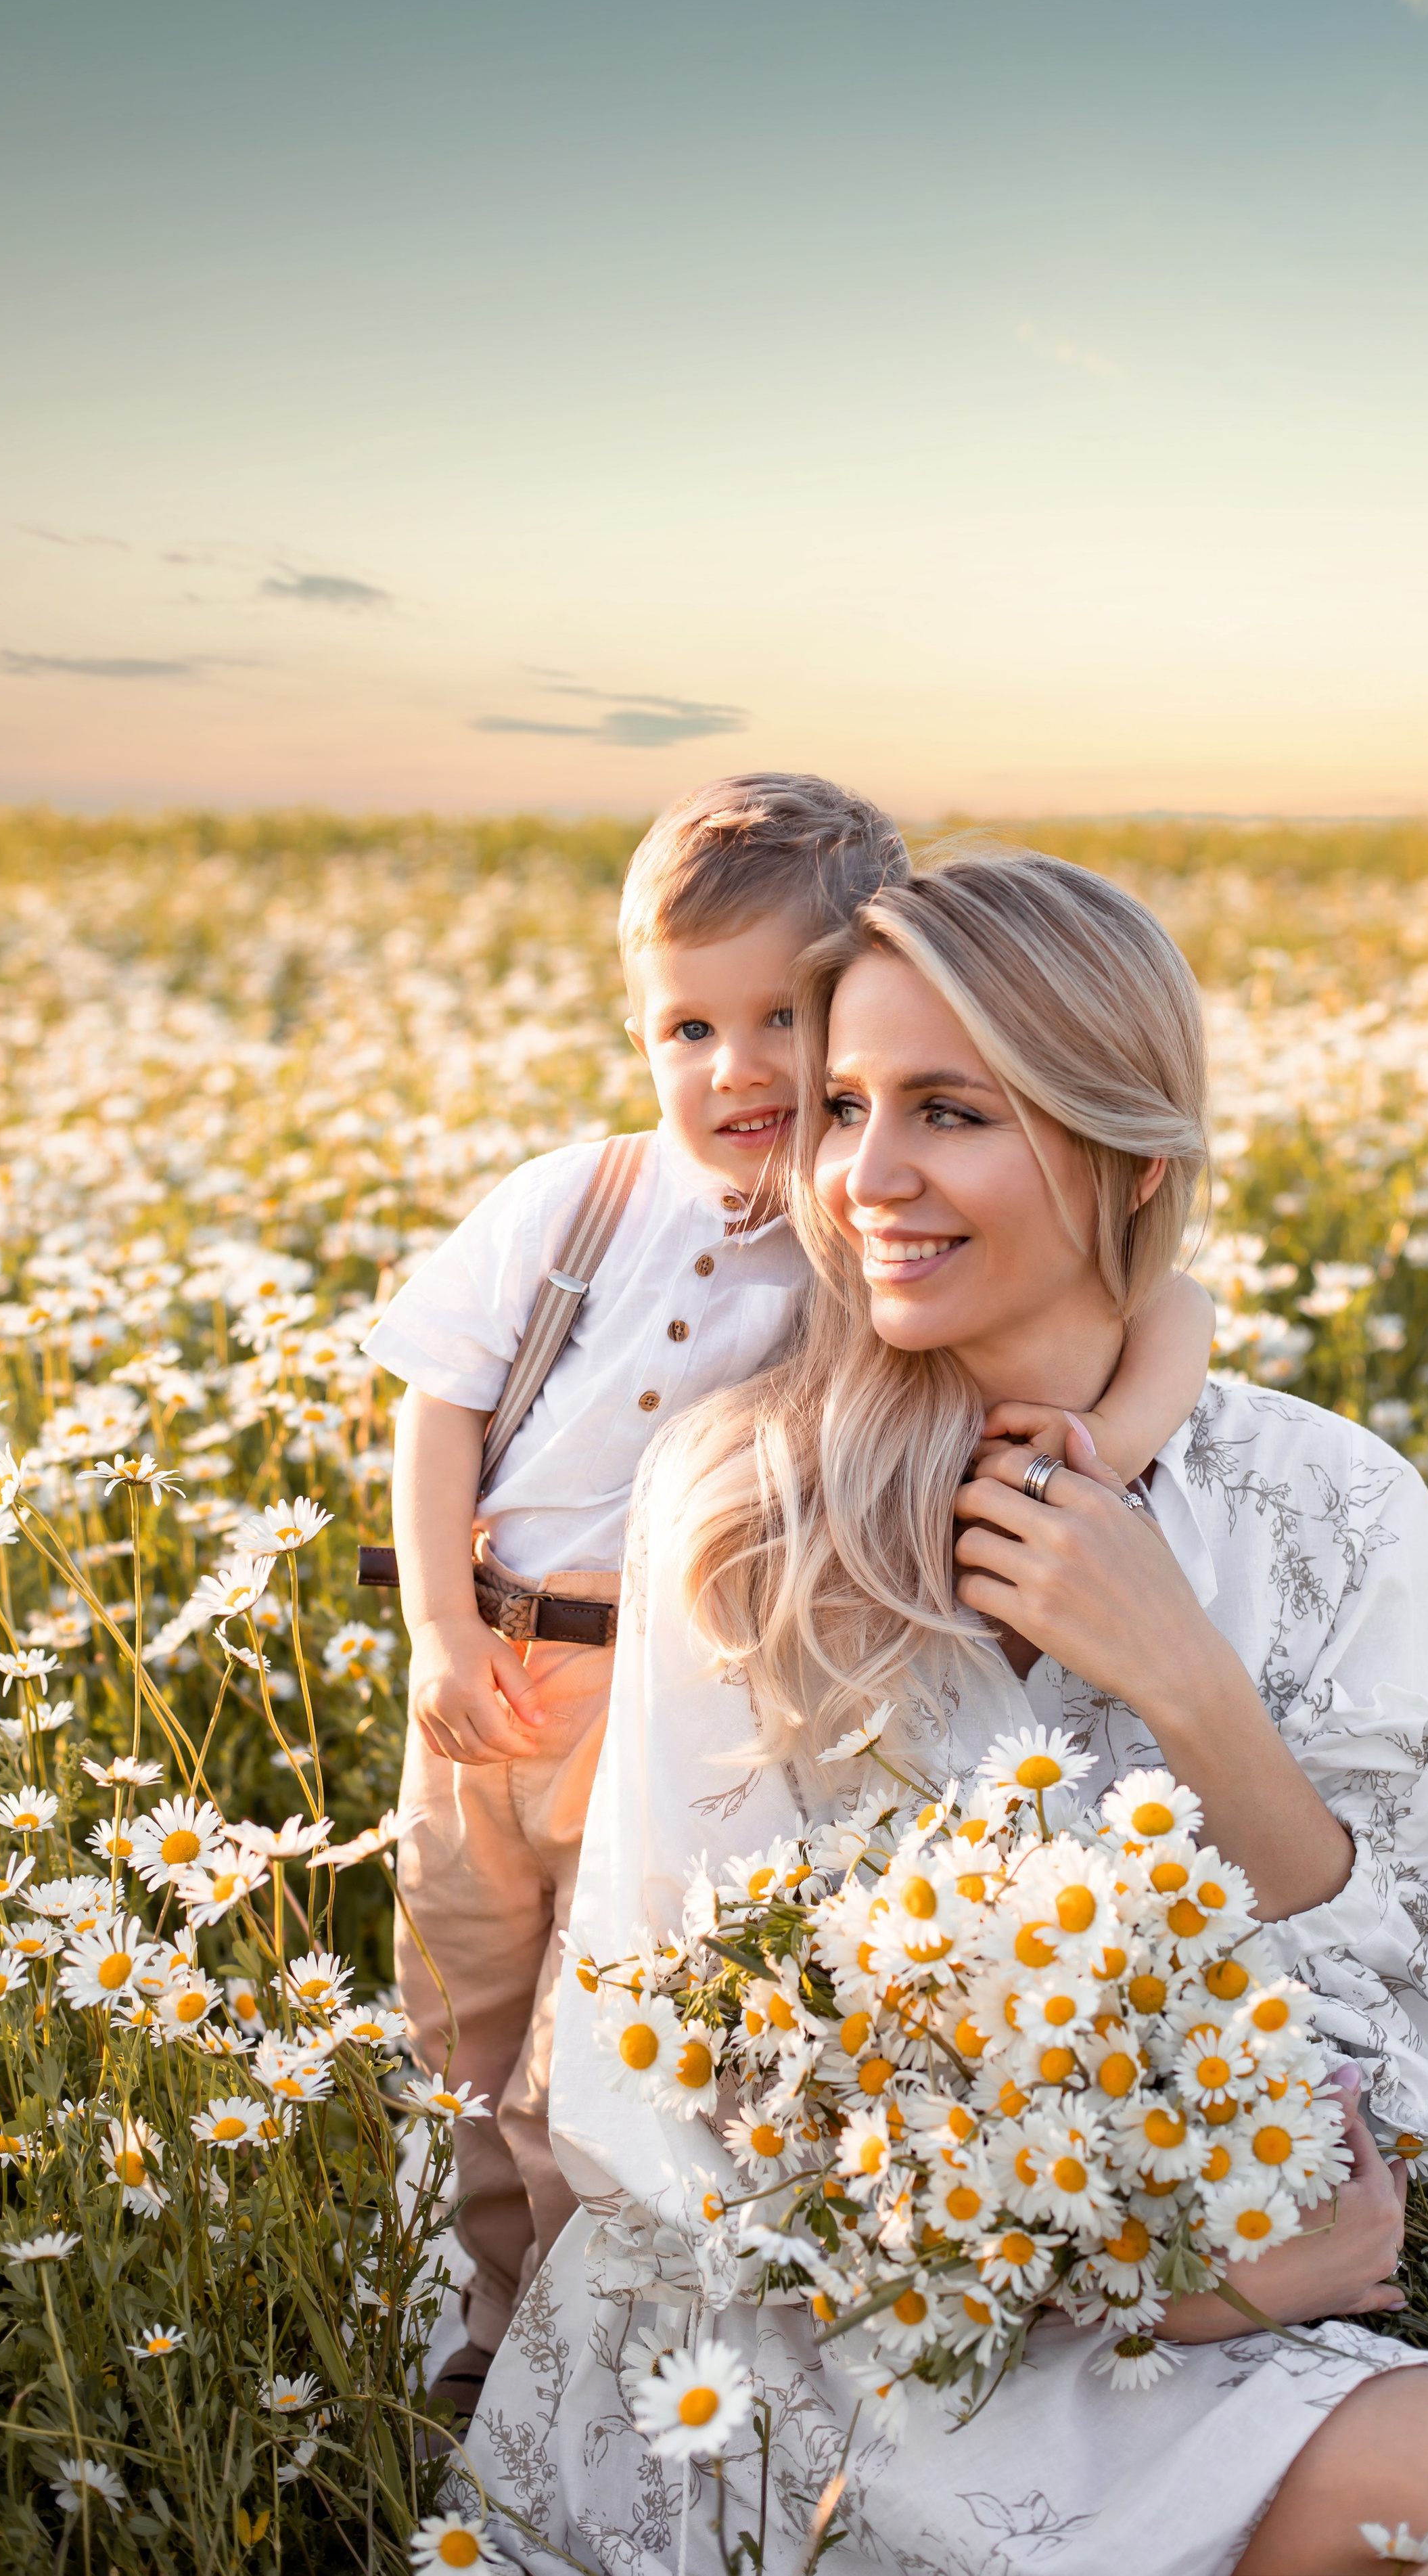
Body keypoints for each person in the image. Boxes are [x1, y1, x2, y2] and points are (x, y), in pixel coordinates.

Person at [465, 849, 1428, 2576]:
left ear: (1129, 1153)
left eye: (949, 1112)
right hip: (818, 2348)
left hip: (1273, 2284)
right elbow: (668, 2073)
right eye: (841, 1107)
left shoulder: (1325, 1499)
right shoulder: (745, 1505)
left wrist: (1186, 1685)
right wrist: (1157, 2289)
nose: (865, 1176)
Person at [362, 790, 1216, 2419]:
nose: (738, 1069)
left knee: (580, 2044)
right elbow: (436, 1405)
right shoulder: (577, 1199)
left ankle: (538, 2356)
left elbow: (1167, 1295)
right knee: (452, 2014)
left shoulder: (849, 1241)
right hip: (488, 1669)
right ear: (635, 1030)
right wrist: (440, 1629)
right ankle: (453, 2296)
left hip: (657, 1699)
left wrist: (1114, 1439)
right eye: (688, 1027)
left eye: (781, 1023)